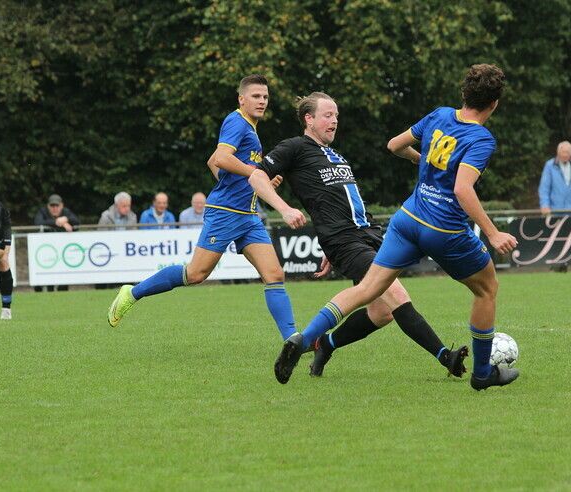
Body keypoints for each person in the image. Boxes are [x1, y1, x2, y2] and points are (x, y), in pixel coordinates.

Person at [273, 64, 520, 391]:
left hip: (408, 218)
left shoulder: (440, 115)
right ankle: (482, 373)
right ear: (494, 104)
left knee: (367, 290)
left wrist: (427, 161)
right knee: (486, 289)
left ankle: (306, 339)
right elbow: (462, 189)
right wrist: (493, 232)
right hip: (443, 229)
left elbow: (394, 145)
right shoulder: (481, 138)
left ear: (464, 94)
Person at [250, 92, 468, 381]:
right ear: (309, 119)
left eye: (336, 116)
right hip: (345, 240)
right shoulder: (295, 147)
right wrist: (285, 208)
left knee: (382, 312)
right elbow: (256, 176)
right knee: (396, 294)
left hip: (368, 235)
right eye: (328, 115)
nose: (334, 121)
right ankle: (446, 357)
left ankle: (324, 345)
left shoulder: (336, 155)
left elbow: (337, 201)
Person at [107, 74, 304, 348]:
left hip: (248, 215)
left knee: (274, 275)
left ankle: (293, 340)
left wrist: (256, 182)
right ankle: (132, 292)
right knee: (196, 275)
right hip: (224, 212)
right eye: (256, 96)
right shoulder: (236, 121)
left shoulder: (250, 128)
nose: (262, 101)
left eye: (266, 97)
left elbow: (214, 161)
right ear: (242, 99)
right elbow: (221, 158)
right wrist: (256, 175)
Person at [34, 194, 78, 291]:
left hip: (63, 251)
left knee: (63, 278)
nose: (54, 208)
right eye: (52, 206)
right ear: (48, 206)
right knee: (45, 277)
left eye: (57, 206)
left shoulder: (66, 212)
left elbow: (76, 221)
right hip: (45, 250)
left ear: (61, 205)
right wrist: (57, 222)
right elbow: (37, 222)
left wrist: (66, 219)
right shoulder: (43, 211)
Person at [538, 141, 571, 215]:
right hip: (554, 211)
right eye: (563, 152)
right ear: (558, 153)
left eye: (568, 152)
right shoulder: (550, 166)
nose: (565, 155)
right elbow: (544, 188)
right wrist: (544, 205)